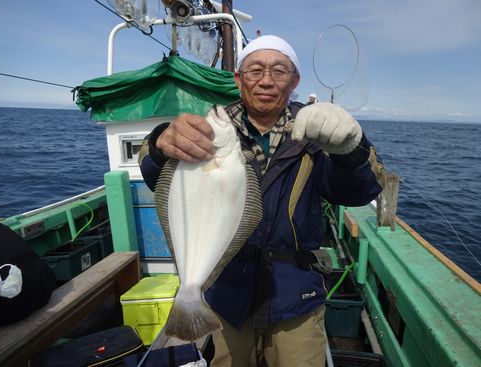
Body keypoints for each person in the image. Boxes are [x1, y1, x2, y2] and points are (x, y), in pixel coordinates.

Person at [139, 35, 383, 367]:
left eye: (279, 71)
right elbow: (158, 176)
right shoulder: (206, 131)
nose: (266, 80)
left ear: (294, 80)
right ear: (239, 79)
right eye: (254, 70)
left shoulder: (316, 132)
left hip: (295, 293)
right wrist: (159, 143)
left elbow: (360, 191)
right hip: (225, 292)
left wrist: (351, 150)